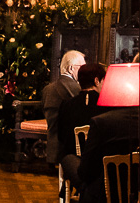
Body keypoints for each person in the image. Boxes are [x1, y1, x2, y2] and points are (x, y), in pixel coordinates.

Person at [76, 79, 140, 203]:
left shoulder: (102, 122)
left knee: (71, 163)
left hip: (105, 193)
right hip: (139, 188)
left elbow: (85, 169)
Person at [56, 63, 107, 193]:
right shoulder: (106, 105)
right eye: (103, 81)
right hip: (100, 163)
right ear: (96, 80)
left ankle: (84, 190)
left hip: (75, 160)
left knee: (66, 158)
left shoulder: (67, 105)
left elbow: (61, 136)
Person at [42, 49, 85, 163]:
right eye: (82, 67)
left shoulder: (48, 88)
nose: (84, 71)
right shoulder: (77, 89)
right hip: (69, 148)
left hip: (52, 145)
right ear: (71, 68)